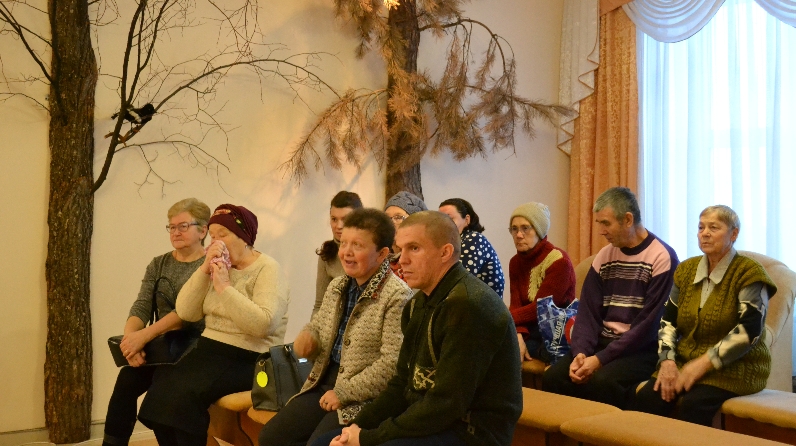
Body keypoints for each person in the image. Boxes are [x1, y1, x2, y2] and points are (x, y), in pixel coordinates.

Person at [312, 211, 522, 446]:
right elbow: (401, 383)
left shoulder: (469, 306)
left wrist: (368, 438)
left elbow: (447, 404)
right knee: (324, 443)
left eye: (414, 248)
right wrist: (356, 428)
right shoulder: (417, 304)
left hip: (471, 432)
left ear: (445, 253)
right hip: (430, 418)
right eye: (400, 249)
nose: (402, 260)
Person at [138, 204, 290, 446]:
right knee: (160, 390)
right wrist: (203, 270)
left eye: (223, 235)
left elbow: (264, 324)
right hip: (209, 350)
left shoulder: (267, 268)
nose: (216, 242)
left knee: (184, 396)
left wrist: (224, 288)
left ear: (244, 237)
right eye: (213, 236)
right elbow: (186, 311)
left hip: (250, 357)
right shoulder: (217, 266)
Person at [259, 208, 413, 446]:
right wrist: (308, 338)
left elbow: (392, 364)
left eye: (357, 245)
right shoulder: (338, 285)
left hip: (365, 397)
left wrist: (344, 393)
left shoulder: (398, 295)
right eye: (343, 243)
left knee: (319, 444)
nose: (346, 252)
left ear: (382, 253)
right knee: (271, 438)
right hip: (323, 383)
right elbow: (318, 326)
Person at [632, 205, 776, 425]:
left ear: (734, 234)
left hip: (736, 367)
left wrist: (703, 363)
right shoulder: (686, 270)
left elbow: (749, 331)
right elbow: (668, 322)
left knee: (694, 404)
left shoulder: (750, 273)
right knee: (648, 398)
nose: (704, 233)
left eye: (713, 228)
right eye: (701, 227)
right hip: (686, 363)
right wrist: (667, 361)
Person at [542, 187, 679, 408]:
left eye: (606, 223)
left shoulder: (662, 257)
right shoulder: (605, 256)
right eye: (599, 223)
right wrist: (580, 353)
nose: (601, 231)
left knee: (602, 382)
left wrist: (599, 360)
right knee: (553, 378)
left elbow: (648, 327)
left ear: (628, 219)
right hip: (603, 344)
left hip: (641, 350)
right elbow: (587, 312)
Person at [103, 198, 210, 446]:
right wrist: (131, 342)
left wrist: (144, 337)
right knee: (126, 381)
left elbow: (188, 314)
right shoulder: (158, 263)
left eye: (183, 226)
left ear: (203, 230)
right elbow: (141, 306)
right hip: (162, 346)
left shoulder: (209, 264)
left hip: (194, 348)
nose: (175, 232)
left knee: (161, 393)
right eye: (171, 227)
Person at [507, 202, 575, 363]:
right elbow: (516, 303)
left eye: (525, 228)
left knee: (502, 345)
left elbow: (541, 308)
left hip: (554, 327)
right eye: (514, 229)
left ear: (539, 230)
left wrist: (504, 318)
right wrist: (518, 334)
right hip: (528, 326)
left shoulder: (559, 261)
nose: (519, 235)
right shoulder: (515, 262)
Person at [439, 198, 505, 295]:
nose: (443, 224)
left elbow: (457, 280)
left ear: (466, 220)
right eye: (440, 220)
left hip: (481, 303)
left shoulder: (474, 239)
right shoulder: (452, 243)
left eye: (450, 219)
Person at [315, 191, 364, 316]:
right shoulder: (327, 253)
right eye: (334, 219)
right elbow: (320, 305)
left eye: (345, 219)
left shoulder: (370, 253)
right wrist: (313, 328)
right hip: (333, 323)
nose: (339, 226)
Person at [383, 191, 427, 280]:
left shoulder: (421, 262)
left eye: (398, 217)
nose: (391, 223)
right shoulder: (379, 258)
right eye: (387, 218)